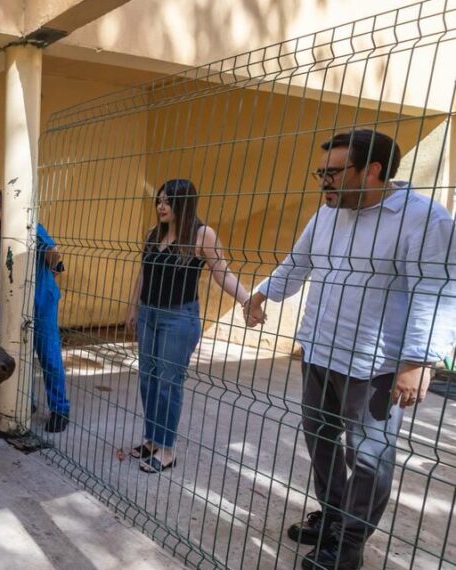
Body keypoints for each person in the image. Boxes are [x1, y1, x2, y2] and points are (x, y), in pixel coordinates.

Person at [244, 129, 456, 570]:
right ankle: (334, 517)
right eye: (322, 172)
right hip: (320, 350)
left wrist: (419, 360)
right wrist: (262, 294)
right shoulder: (327, 214)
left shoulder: (424, 220)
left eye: (335, 172)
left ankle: (350, 544)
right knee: (320, 441)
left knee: (368, 455)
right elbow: (298, 262)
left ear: (373, 171)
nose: (324, 181)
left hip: (376, 365)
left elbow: (436, 291)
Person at [125, 179, 252, 474]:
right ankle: (152, 439)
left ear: (184, 203)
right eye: (159, 201)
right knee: (148, 379)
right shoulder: (153, 234)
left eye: (168, 201)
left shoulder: (201, 234)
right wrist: (133, 308)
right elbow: (143, 274)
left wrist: (248, 301)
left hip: (178, 318)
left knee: (169, 382)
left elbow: (222, 272)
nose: (161, 206)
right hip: (149, 315)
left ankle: (167, 449)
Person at [0, 190, 70, 432]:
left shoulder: (32, 228)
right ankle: (24, 402)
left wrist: (53, 259)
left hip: (42, 302)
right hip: (14, 304)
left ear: (5, 208)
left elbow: (54, 257)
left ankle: (60, 410)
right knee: (17, 355)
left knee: (48, 356)